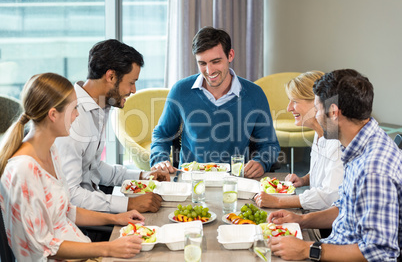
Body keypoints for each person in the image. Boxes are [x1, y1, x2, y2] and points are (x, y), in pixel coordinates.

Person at [0, 73, 145, 261]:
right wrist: (107, 248)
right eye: (74, 108)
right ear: (53, 115)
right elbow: (44, 247)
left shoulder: (50, 151)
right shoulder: (23, 170)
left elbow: (66, 210)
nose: (78, 115)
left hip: (82, 251)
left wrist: (116, 218)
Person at [267, 69, 402, 261]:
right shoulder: (360, 143)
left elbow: (379, 253)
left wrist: (307, 250)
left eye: (317, 108)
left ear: (333, 112)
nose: (316, 115)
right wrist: (301, 220)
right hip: (334, 243)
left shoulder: (373, 169)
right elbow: (345, 208)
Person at [54, 39, 169, 214]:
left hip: (94, 201)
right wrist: (129, 205)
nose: (134, 90)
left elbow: (93, 167)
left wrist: (142, 176)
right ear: (111, 76)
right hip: (81, 219)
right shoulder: (73, 117)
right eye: (131, 82)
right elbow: (71, 195)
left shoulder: (100, 107)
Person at [150, 26, 280, 178]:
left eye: (216, 61)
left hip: (236, 182)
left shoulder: (254, 94)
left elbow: (269, 145)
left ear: (230, 55)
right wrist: (160, 159)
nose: (209, 71)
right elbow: (161, 134)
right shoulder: (180, 91)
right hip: (191, 182)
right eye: (202, 63)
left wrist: (261, 162)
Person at [254, 71, 344, 211]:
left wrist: (278, 201)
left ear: (316, 102)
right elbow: (326, 173)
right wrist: (304, 179)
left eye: (295, 101)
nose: (289, 108)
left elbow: (329, 197)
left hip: (328, 223)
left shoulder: (337, 141)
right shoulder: (320, 132)